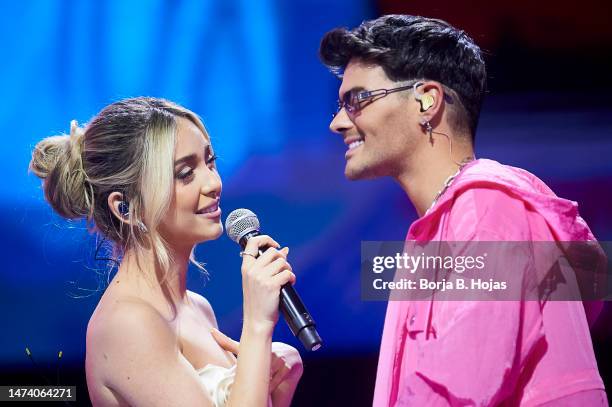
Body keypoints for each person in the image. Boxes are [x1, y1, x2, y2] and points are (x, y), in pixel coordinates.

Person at [319, 14, 607, 406]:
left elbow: (458, 390)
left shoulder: (488, 208)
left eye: (357, 100)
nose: (338, 123)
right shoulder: (453, 221)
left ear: (427, 100)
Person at [29, 97, 303, 407]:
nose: (213, 183)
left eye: (210, 162)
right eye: (185, 173)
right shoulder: (127, 324)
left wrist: (280, 384)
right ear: (127, 207)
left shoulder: (197, 308)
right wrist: (257, 325)